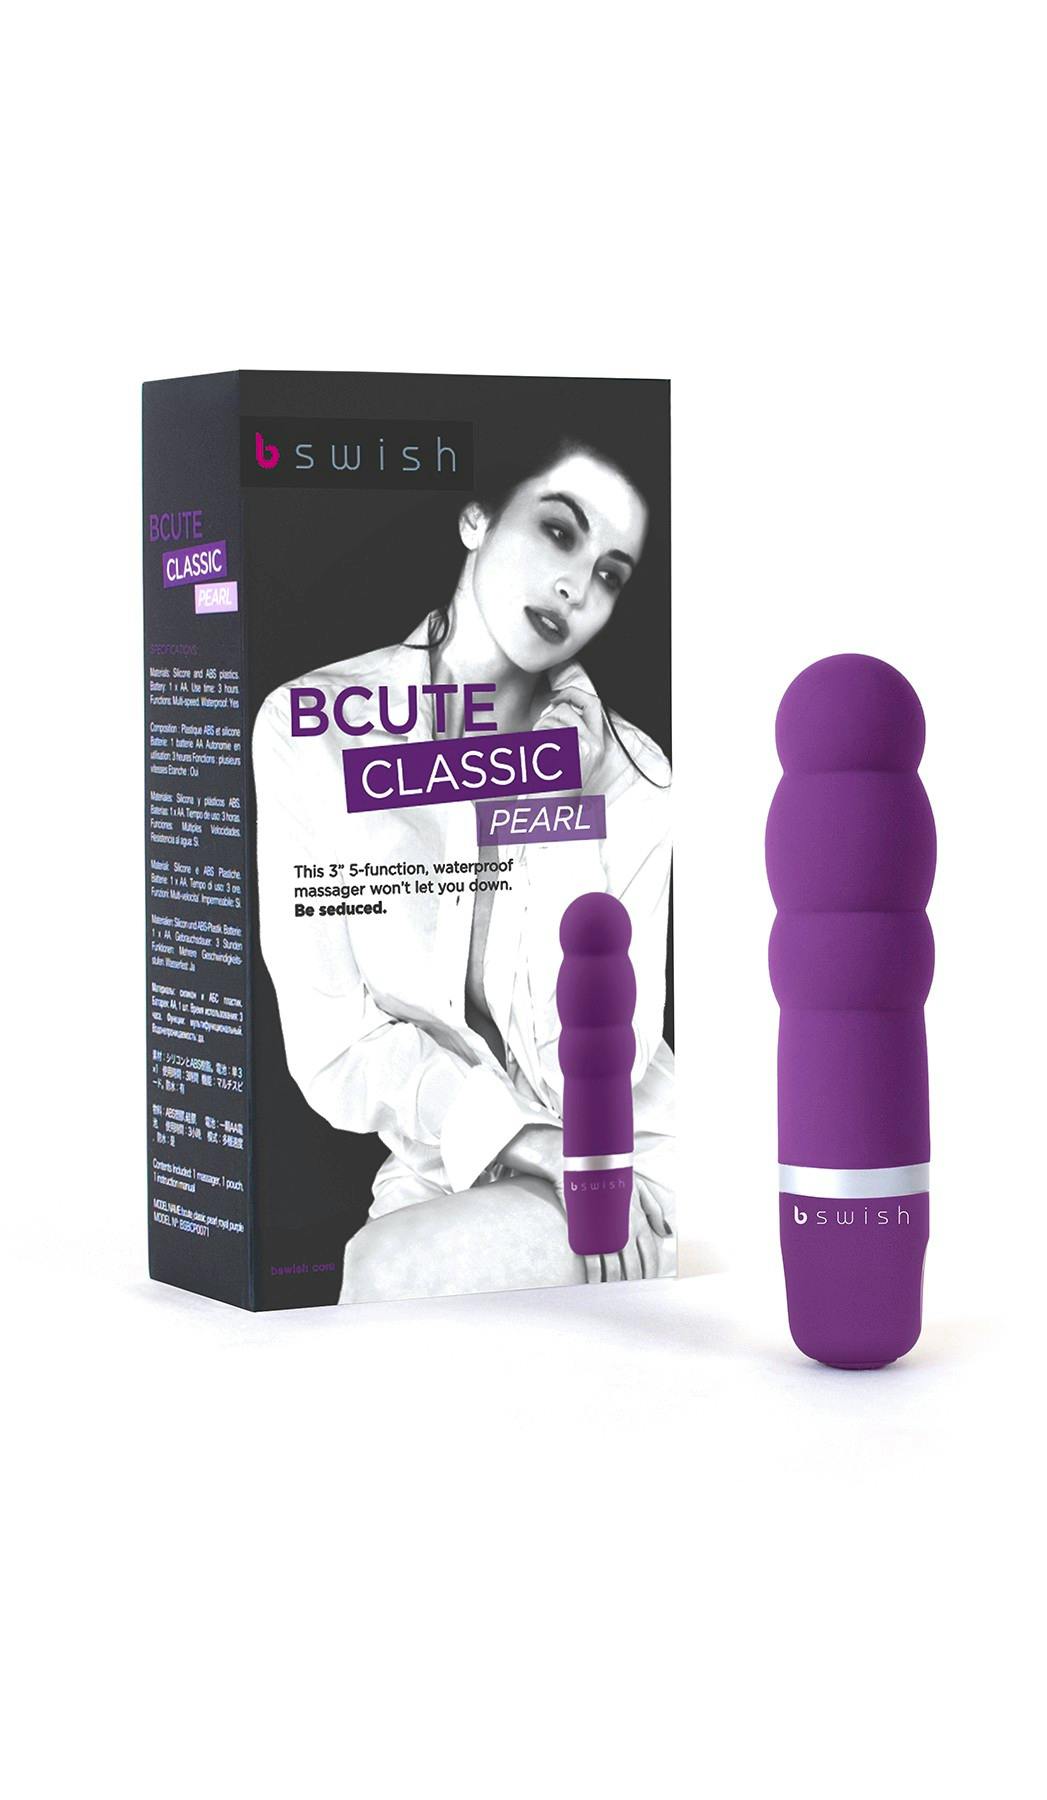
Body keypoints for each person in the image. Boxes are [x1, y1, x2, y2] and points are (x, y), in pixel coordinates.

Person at [251, 437, 674, 1302]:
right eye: (559, 531)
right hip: (442, 1163)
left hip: (625, 1161)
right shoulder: (310, 732)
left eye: (609, 573)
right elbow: (334, 1047)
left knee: (391, 1270)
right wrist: (518, 1140)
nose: (576, 587)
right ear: (476, 516)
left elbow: (597, 1067)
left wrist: (551, 786)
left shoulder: (633, 776)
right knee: (382, 1280)